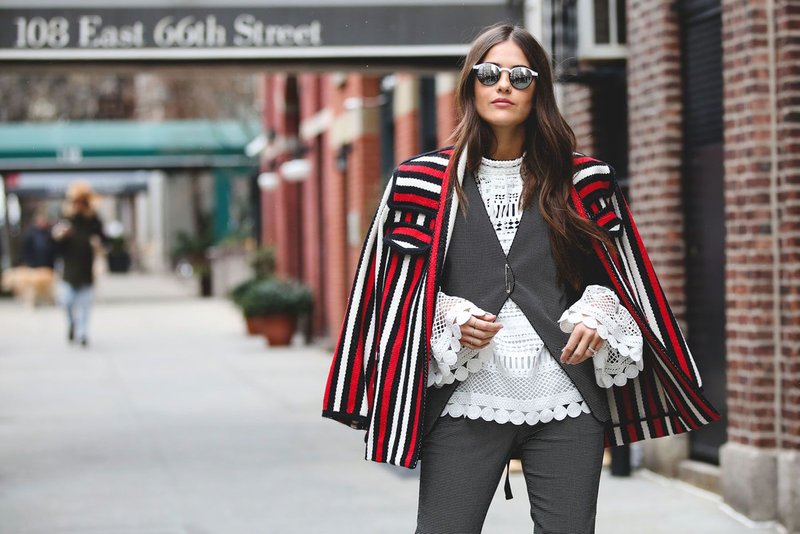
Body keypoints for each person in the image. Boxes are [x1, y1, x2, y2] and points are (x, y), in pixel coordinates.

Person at [322, 23, 719, 534]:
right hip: (464, 399)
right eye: (489, 73)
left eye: (520, 75)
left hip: (566, 398)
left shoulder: (585, 181)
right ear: (471, 85)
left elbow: (623, 280)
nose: (503, 84)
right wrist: (446, 317)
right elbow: (389, 294)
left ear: (540, 90)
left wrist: (599, 313)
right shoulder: (418, 183)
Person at [52, 181, 105, 347]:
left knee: (84, 304)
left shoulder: (92, 221)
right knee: (66, 302)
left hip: (86, 268)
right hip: (68, 269)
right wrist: (60, 237)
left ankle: (82, 334)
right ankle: (72, 323)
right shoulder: (66, 220)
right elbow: (55, 246)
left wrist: (97, 243)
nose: (79, 206)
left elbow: (103, 239)